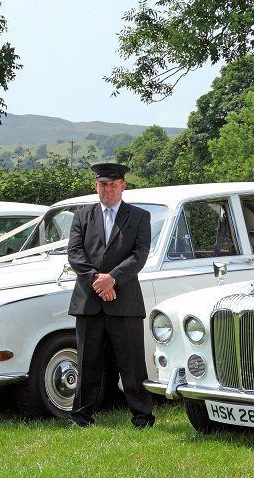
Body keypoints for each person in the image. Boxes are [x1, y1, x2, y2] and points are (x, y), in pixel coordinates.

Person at [67, 162, 155, 428]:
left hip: (125, 300)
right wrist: (98, 281)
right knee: (88, 362)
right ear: (96, 186)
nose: (108, 189)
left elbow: (139, 255)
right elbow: (75, 254)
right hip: (89, 301)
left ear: (123, 186)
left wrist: (112, 278)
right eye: (103, 184)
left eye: (113, 185)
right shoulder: (82, 216)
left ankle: (142, 416)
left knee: (132, 363)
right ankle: (81, 415)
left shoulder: (139, 216)